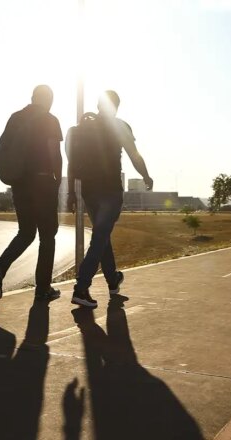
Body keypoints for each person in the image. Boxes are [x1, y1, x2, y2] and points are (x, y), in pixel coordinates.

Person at [68, 91, 153, 308]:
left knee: (102, 236)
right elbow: (134, 154)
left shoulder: (85, 128)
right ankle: (81, 287)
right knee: (99, 238)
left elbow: (71, 160)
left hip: (89, 191)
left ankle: (113, 281)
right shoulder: (119, 126)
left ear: (98, 105)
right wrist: (145, 175)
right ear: (116, 106)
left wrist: (70, 192)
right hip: (110, 191)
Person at [0, 85, 63, 301]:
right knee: (48, 236)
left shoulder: (15, 118)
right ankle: (43, 288)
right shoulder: (50, 119)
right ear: (48, 100)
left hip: (19, 184)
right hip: (43, 182)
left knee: (26, 233)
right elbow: (54, 153)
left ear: (32, 98)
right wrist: (57, 183)